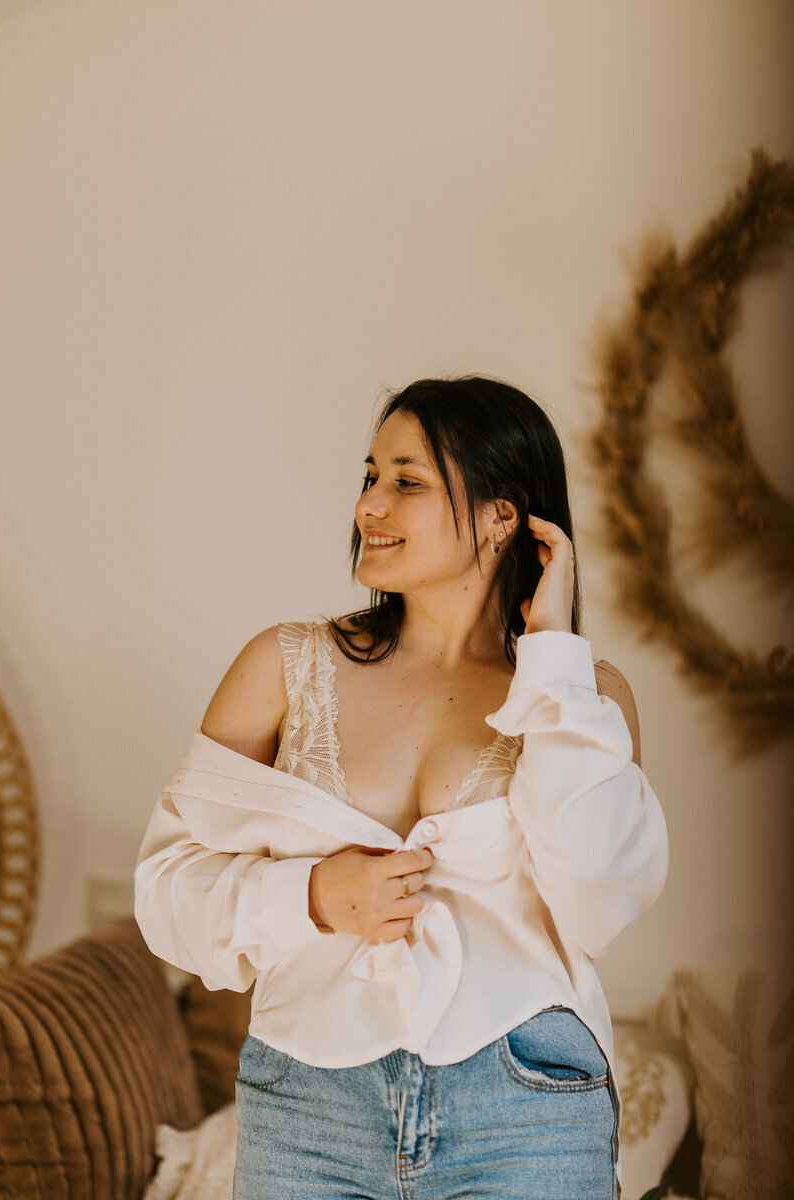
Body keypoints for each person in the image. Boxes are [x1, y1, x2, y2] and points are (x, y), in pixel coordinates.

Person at [134, 374, 668, 1200]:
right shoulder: (284, 667)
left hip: (527, 1108)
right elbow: (166, 891)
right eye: (369, 477)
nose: (369, 506)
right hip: (307, 1108)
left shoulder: (582, 699)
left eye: (407, 482)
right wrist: (310, 895)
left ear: (503, 518)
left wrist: (553, 651)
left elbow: (600, 896)